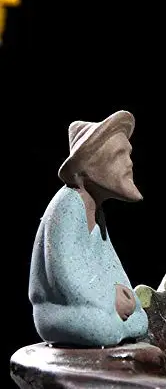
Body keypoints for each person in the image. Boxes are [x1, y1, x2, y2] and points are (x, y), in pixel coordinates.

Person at [29, 110, 148, 347]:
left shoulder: (96, 212)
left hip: (94, 304)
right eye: (119, 154)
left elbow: (109, 263)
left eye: (128, 154)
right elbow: (64, 275)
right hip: (59, 310)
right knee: (102, 327)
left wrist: (127, 296)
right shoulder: (68, 205)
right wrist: (110, 298)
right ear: (89, 168)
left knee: (140, 319)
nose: (129, 163)